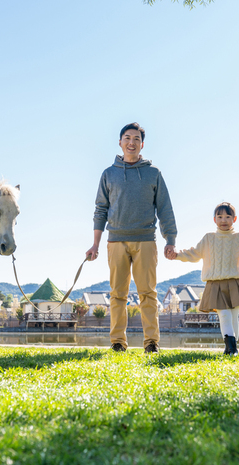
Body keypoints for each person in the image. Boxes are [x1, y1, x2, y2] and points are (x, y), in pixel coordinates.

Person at [86, 122, 177, 354]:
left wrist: (170, 239)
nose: (131, 142)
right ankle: (117, 342)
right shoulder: (109, 174)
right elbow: (100, 210)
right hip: (115, 240)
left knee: (148, 293)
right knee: (118, 294)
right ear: (120, 142)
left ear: (142, 144)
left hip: (146, 240)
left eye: (136, 139)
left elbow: (164, 208)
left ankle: (151, 343)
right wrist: (95, 244)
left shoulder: (153, 173)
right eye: (127, 138)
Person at [168, 202, 239, 355]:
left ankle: (231, 348)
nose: (223, 220)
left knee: (234, 317)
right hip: (215, 284)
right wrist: (177, 255)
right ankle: (232, 349)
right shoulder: (208, 239)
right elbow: (193, 254)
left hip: (236, 283)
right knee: (225, 315)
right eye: (220, 216)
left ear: (234, 219)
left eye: (228, 217)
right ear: (214, 219)